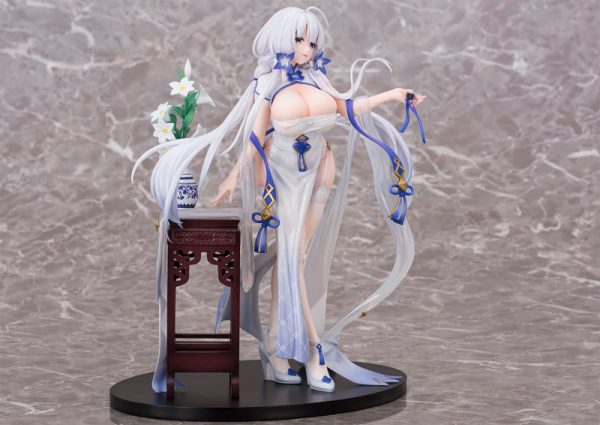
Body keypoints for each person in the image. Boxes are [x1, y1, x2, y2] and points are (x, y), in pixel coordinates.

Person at [131, 5, 425, 394]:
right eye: (299, 39)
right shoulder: (268, 83)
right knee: (292, 258)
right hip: (284, 178)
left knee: (295, 259)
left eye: (312, 42)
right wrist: (233, 177)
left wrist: (392, 95)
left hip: (320, 173)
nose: (306, 48)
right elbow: (255, 138)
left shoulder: (319, 78)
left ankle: (274, 347)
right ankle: (314, 352)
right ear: (283, 39)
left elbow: (348, 110)